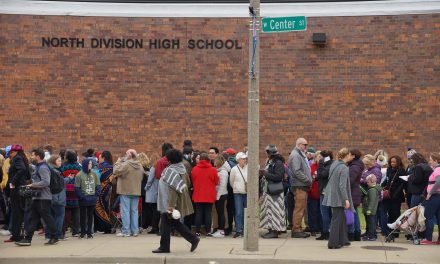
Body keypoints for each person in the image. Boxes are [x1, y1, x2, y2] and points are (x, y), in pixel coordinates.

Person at [153, 149, 199, 253]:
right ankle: (192, 239)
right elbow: (186, 184)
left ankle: (165, 247)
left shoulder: (171, 171)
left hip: (169, 202)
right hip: (174, 201)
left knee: (167, 223)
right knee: (173, 223)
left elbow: (174, 189)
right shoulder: (181, 169)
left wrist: (170, 206)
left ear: (170, 160)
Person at [16, 148, 58, 246]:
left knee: (47, 218)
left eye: (33, 155)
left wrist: (32, 185)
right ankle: (27, 239)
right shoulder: (39, 167)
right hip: (38, 197)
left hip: (44, 197)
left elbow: (46, 182)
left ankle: (54, 237)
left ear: (38, 156)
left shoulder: (43, 167)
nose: (32, 157)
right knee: (33, 218)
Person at [322, 148, 354, 249]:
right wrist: (346, 199)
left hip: (332, 195)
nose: (351, 157)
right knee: (337, 219)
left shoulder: (335, 164)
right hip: (339, 197)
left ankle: (343, 240)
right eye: (350, 155)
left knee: (341, 218)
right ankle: (333, 243)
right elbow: (342, 186)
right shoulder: (344, 168)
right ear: (347, 156)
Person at [113, 149, 144, 237]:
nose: (125, 155)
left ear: (130, 155)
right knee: (134, 211)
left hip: (125, 190)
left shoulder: (126, 164)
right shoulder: (140, 165)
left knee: (125, 211)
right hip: (136, 191)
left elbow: (115, 171)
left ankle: (126, 231)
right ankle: (135, 231)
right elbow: (141, 177)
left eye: (126, 153)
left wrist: (118, 162)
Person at [260, 144, 286, 238]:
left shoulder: (278, 162)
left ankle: (274, 231)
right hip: (269, 190)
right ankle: (271, 229)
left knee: (274, 211)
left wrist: (266, 174)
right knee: (269, 211)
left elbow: (279, 177)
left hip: (275, 192)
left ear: (269, 153)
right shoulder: (270, 162)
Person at [288, 138, 312, 238]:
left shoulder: (298, 154)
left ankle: (298, 228)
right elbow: (296, 171)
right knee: (299, 208)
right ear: (298, 144)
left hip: (301, 185)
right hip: (299, 185)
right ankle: (296, 229)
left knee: (301, 207)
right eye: (304, 145)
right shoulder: (295, 155)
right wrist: (307, 180)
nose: (306, 147)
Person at [6, 144, 31, 243]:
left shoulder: (17, 159)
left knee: (17, 213)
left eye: (11, 152)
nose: (10, 155)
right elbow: (27, 174)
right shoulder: (23, 158)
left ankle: (16, 236)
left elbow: (22, 170)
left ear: (15, 152)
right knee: (19, 212)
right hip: (20, 188)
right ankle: (17, 234)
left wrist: (13, 180)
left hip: (16, 189)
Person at [191, 152, 219, 236]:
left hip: (198, 193)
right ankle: (208, 231)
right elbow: (217, 181)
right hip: (209, 194)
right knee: (208, 213)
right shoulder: (213, 169)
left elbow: (193, 180)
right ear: (208, 159)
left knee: (199, 213)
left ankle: (197, 231)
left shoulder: (195, 169)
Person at [75, 158, 101, 239]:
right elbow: (77, 188)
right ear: (85, 164)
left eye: (91, 163)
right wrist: (82, 197)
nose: (91, 165)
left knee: (90, 216)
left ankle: (89, 232)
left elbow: (98, 186)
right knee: (83, 216)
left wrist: (96, 195)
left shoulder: (94, 174)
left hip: (92, 198)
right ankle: (83, 232)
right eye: (89, 163)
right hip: (83, 199)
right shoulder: (79, 175)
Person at [380, 156, 406, 237]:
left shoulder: (401, 170)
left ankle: (396, 231)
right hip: (388, 194)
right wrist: (382, 185)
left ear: (398, 162)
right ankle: (389, 229)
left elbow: (402, 184)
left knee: (396, 213)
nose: (392, 164)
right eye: (391, 162)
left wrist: (396, 194)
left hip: (396, 195)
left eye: (394, 162)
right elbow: (387, 180)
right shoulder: (389, 170)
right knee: (389, 212)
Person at [60, 149, 82, 237]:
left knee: (65, 211)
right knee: (76, 211)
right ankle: (76, 230)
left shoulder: (63, 166)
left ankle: (64, 230)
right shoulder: (79, 167)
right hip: (76, 190)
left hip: (65, 190)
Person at [420, 152, 440, 245]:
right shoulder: (437, 169)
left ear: (436, 160)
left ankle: (428, 238)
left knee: (429, 216)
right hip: (437, 196)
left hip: (435, 196)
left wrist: (430, 193)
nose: (429, 161)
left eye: (431, 160)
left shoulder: (437, 169)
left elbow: (438, 182)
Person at [47, 155, 67, 240]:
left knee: (52, 216)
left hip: (51, 197)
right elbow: (58, 186)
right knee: (59, 216)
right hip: (58, 197)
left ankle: (49, 234)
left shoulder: (49, 170)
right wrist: (67, 180)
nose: (60, 162)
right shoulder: (56, 171)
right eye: (58, 161)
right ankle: (57, 234)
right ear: (54, 161)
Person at [209, 156, 229, 238]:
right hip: (218, 194)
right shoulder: (218, 171)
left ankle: (221, 231)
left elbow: (222, 186)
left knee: (221, 213)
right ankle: (219, 230)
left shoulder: (223, 172)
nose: (214, 162)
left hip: (221, 195)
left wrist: (217, 196)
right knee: (218, 212)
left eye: (215, 160)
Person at [316, 150, 334, 240]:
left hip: (325, 192)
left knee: (325, 213)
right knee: (328, 212)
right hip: (328, 191)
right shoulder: (330, 164)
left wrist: (320, 164)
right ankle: (328, 231)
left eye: (321, 157)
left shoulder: (328, 165)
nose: (319, 158)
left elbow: (320, 175)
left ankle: (325, 232)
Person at [229, 152, 248, 238]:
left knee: (246, 212)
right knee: (239, 212)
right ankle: (239, 230)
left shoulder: (248, 168)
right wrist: (236, 188)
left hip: (247, 193)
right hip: (238, 193)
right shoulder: (234, 169)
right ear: (238, 160)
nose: (245, 160)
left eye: (245, 158)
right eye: (243, 159)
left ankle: (245, 229)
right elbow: (231, 181)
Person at [95, 150, 114, 234]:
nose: (99, 159)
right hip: (109, 188)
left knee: (99, 206)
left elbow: (99, 178)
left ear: (103, 157)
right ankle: (107, 226)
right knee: (106, 206)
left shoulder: (101, 167)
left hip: (101, 189)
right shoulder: (112, 166)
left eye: (100, 157)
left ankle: (105, 226)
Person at [347, 149, 364, 241]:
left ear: (353, 156)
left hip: (352, 193)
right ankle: (356, 233)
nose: (348, 156)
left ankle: (351, 233)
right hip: (355, 192)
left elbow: (350, 181)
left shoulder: (354, 167)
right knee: (355, 213)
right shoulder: (356, 165)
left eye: (349, 154)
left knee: (351, 214)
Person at [144, 154, 161, 234]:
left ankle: (154, 227)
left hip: (152, 191)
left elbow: (150, 180)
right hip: (158, 190)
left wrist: (146, 188)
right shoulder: (160, 168)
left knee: (154, 210)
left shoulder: (153, 168)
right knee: (156, 210)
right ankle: (156, 227)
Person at [362, 174, 382, 241]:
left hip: (370, 210)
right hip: (371, 210)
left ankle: (372, 236)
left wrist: (369, 210)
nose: (367, 183)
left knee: (371, 223)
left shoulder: (372, 190)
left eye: (368, 182)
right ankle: (369, 234)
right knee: (370, 223)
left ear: (372, 181)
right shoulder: (372, 189)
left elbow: (372, 201)